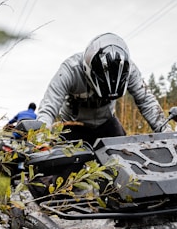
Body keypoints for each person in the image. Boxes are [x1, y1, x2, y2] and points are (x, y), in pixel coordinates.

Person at [36, 33, 170, 145]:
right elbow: (49, 107)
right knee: (62, 170)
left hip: (106, 123)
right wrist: (40, 138)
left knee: (125, 159)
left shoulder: (130, 70)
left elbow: (146, 100)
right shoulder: (70, 70)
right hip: (72, 126)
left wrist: (167, 132)